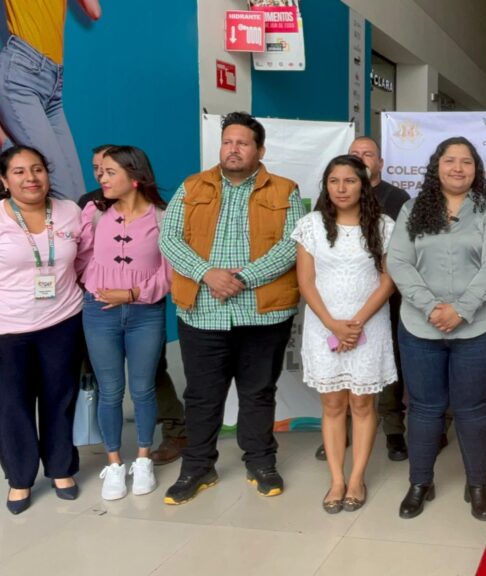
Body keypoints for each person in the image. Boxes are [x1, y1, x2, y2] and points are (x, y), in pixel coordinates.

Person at [158, 111, 305, 505]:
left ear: (260, 150)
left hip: (263, 313)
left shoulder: (285, 190)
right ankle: (197, 467)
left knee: (258, 393)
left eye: (242, 143)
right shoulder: (191, 187)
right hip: (202, 312)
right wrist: (207, 273)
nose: (233, 149)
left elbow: (292, 244)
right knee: (202, 396)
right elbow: (168, 238)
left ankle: (260, 462)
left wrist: (243, 278)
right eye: (227, 142)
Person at [388, 136, 486, 521]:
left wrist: (461, 310)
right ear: (436, 166)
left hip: (477, 328)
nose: (458, 168)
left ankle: (477, 485)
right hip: (420, 327)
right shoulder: (412, 209)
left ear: (476, 169)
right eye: (449, 160)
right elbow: (399, 262)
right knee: (424, 409)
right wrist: (431, 308)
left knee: (473, 409)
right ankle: (420, 483)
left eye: (466, 161)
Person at [0, 146, 85, 514]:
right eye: (19, 172)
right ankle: (19, 479)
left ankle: (61, 469)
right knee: (11, 405)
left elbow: (83, 263)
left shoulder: (70, 212)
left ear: (47, 174)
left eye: (37, 169)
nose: (30, 178)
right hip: (5, 330)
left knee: (59, 398)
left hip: (63, 322)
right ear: (4, 180)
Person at [293, 155, 397, 513]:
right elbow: (306, 282)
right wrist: (333, 324)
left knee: (363, 404)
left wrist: (356, 322)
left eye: (349, 181)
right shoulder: (311, 225)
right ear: (326, 186)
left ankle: (357, 479)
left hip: (369, 325)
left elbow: (388, 280)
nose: (341, 188)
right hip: (323, 326)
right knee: (333, 405)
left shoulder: (382, 225)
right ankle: (337, 479)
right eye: (333, 181)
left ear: (363, 185)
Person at [79, 144, 188, 466]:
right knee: (110, 390)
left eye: (110, 172)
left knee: (143, 389)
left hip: (146, 313)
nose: (101, 178)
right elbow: (81, 257)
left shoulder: (164, 217)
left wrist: (131, 293)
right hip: (99, 313)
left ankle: (143, 461)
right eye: (100, 171)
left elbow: (170, 271)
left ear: (135, 177)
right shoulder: (93, 212)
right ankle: (114, 464)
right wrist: (96, 287)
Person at [313, 136, 411, 463]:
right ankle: (339, 434)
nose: (361, 158)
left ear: (379, 163)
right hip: (331, 311)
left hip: (383, 305)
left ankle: (393, 430)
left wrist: (360, 318)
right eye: (355, 153)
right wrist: (333, 321)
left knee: (381, 372)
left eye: (368, 154)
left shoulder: (396, 200)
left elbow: (396, 261)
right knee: (338, 383)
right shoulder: (322, 208)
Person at [0, 0, 103, 201]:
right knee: (62, 192)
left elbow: (94, 11)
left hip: (53, 83)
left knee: (79, 199)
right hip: (21, 75)